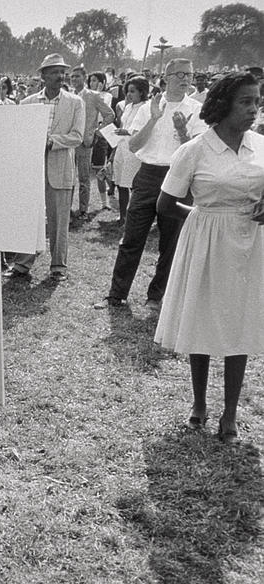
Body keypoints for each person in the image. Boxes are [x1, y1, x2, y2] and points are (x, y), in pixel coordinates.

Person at [154, 73, 264, 444]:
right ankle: (199, 404)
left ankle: (229, 413)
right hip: (205, 242)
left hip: (250, 243)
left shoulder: (261, 146)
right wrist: (204, 218)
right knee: (201, 319)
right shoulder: (195, 150)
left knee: (240, 323)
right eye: (245, 102)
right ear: (223, 106)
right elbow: (165, 205)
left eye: (256, 100)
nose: (253, 109)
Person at [94, 58, 207, 310]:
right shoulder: (149, 107)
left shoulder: (197, 109)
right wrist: (155, 119)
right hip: (147, 176)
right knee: (132, 236)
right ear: (166, 78)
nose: (185, 79)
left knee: (170, 241)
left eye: (188, 74)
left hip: (178, 177)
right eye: (179, 74)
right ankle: (116, 294)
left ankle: (156, 296)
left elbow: (196, 152)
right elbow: (133, 146)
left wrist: (182, 131)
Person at [5, 54, 85, 282]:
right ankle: (22, 263)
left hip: (60, 169)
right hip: (32, 169)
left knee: (59, 220)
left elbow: (77, 137)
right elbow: (18, 135)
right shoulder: (28, 103)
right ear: (43, 75)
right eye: (54, 72)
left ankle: (58, 265)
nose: (60, 76)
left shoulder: (75, 102)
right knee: (28, 216)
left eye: (62, 71)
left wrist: (51, 142)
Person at [71, 66, 115, 219]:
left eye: (77, 76)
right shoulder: (67, 95)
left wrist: (97, 131)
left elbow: (110, 115)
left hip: (85, 141)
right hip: (68, 142)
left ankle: (83, 210)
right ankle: (67, 208)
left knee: (84, 178)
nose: (74, 79)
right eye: (72, 77)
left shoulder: (93, 96)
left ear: (85, 78)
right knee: (68, 177)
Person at [111, 76, 149, 223]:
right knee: (120, 182)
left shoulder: (146, 108)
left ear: (142, 92)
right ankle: (123, 215)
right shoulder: (127, 107)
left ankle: (135, 217)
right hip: (122, 147)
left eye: (132, 91)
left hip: (135, 150)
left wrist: (126, 132)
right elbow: (123, 126)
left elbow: (144, 131)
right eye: (127, 91)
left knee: (133, 184)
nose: (128, 94)